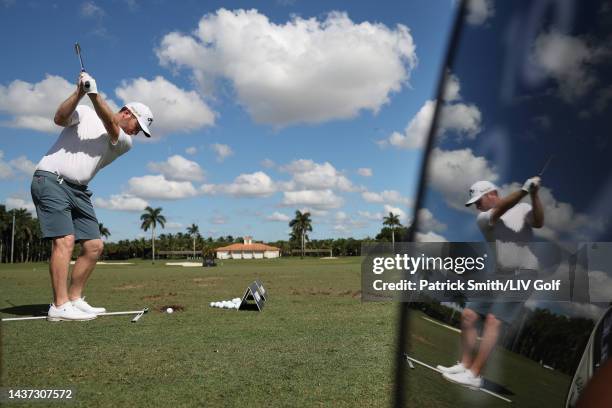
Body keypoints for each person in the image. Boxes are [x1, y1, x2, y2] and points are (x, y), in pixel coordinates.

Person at [31, 72, 153, 322]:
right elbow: (59, 118)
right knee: (65, 240)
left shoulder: (125, 141)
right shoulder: (85, 112)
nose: (137, 132)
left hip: (79, 191)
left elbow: (111, 125)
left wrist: (94, 93)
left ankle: (75, 299)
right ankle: (59, 305)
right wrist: (79, 93)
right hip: (51, 179)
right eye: (138, 126)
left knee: (94, 246)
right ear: (127, 112)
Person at [436, 176, 544, 388]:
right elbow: (500, 210)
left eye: (478, 201)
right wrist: (524, 189)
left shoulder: (522, 207)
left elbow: (539, 222)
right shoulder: (484, 218)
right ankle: (465, 365)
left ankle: (475, 376)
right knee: (468, 315)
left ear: (491, 194)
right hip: (499, 273)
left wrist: (534, 194)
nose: (476, 207)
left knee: (494, 320)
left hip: (525, 272)